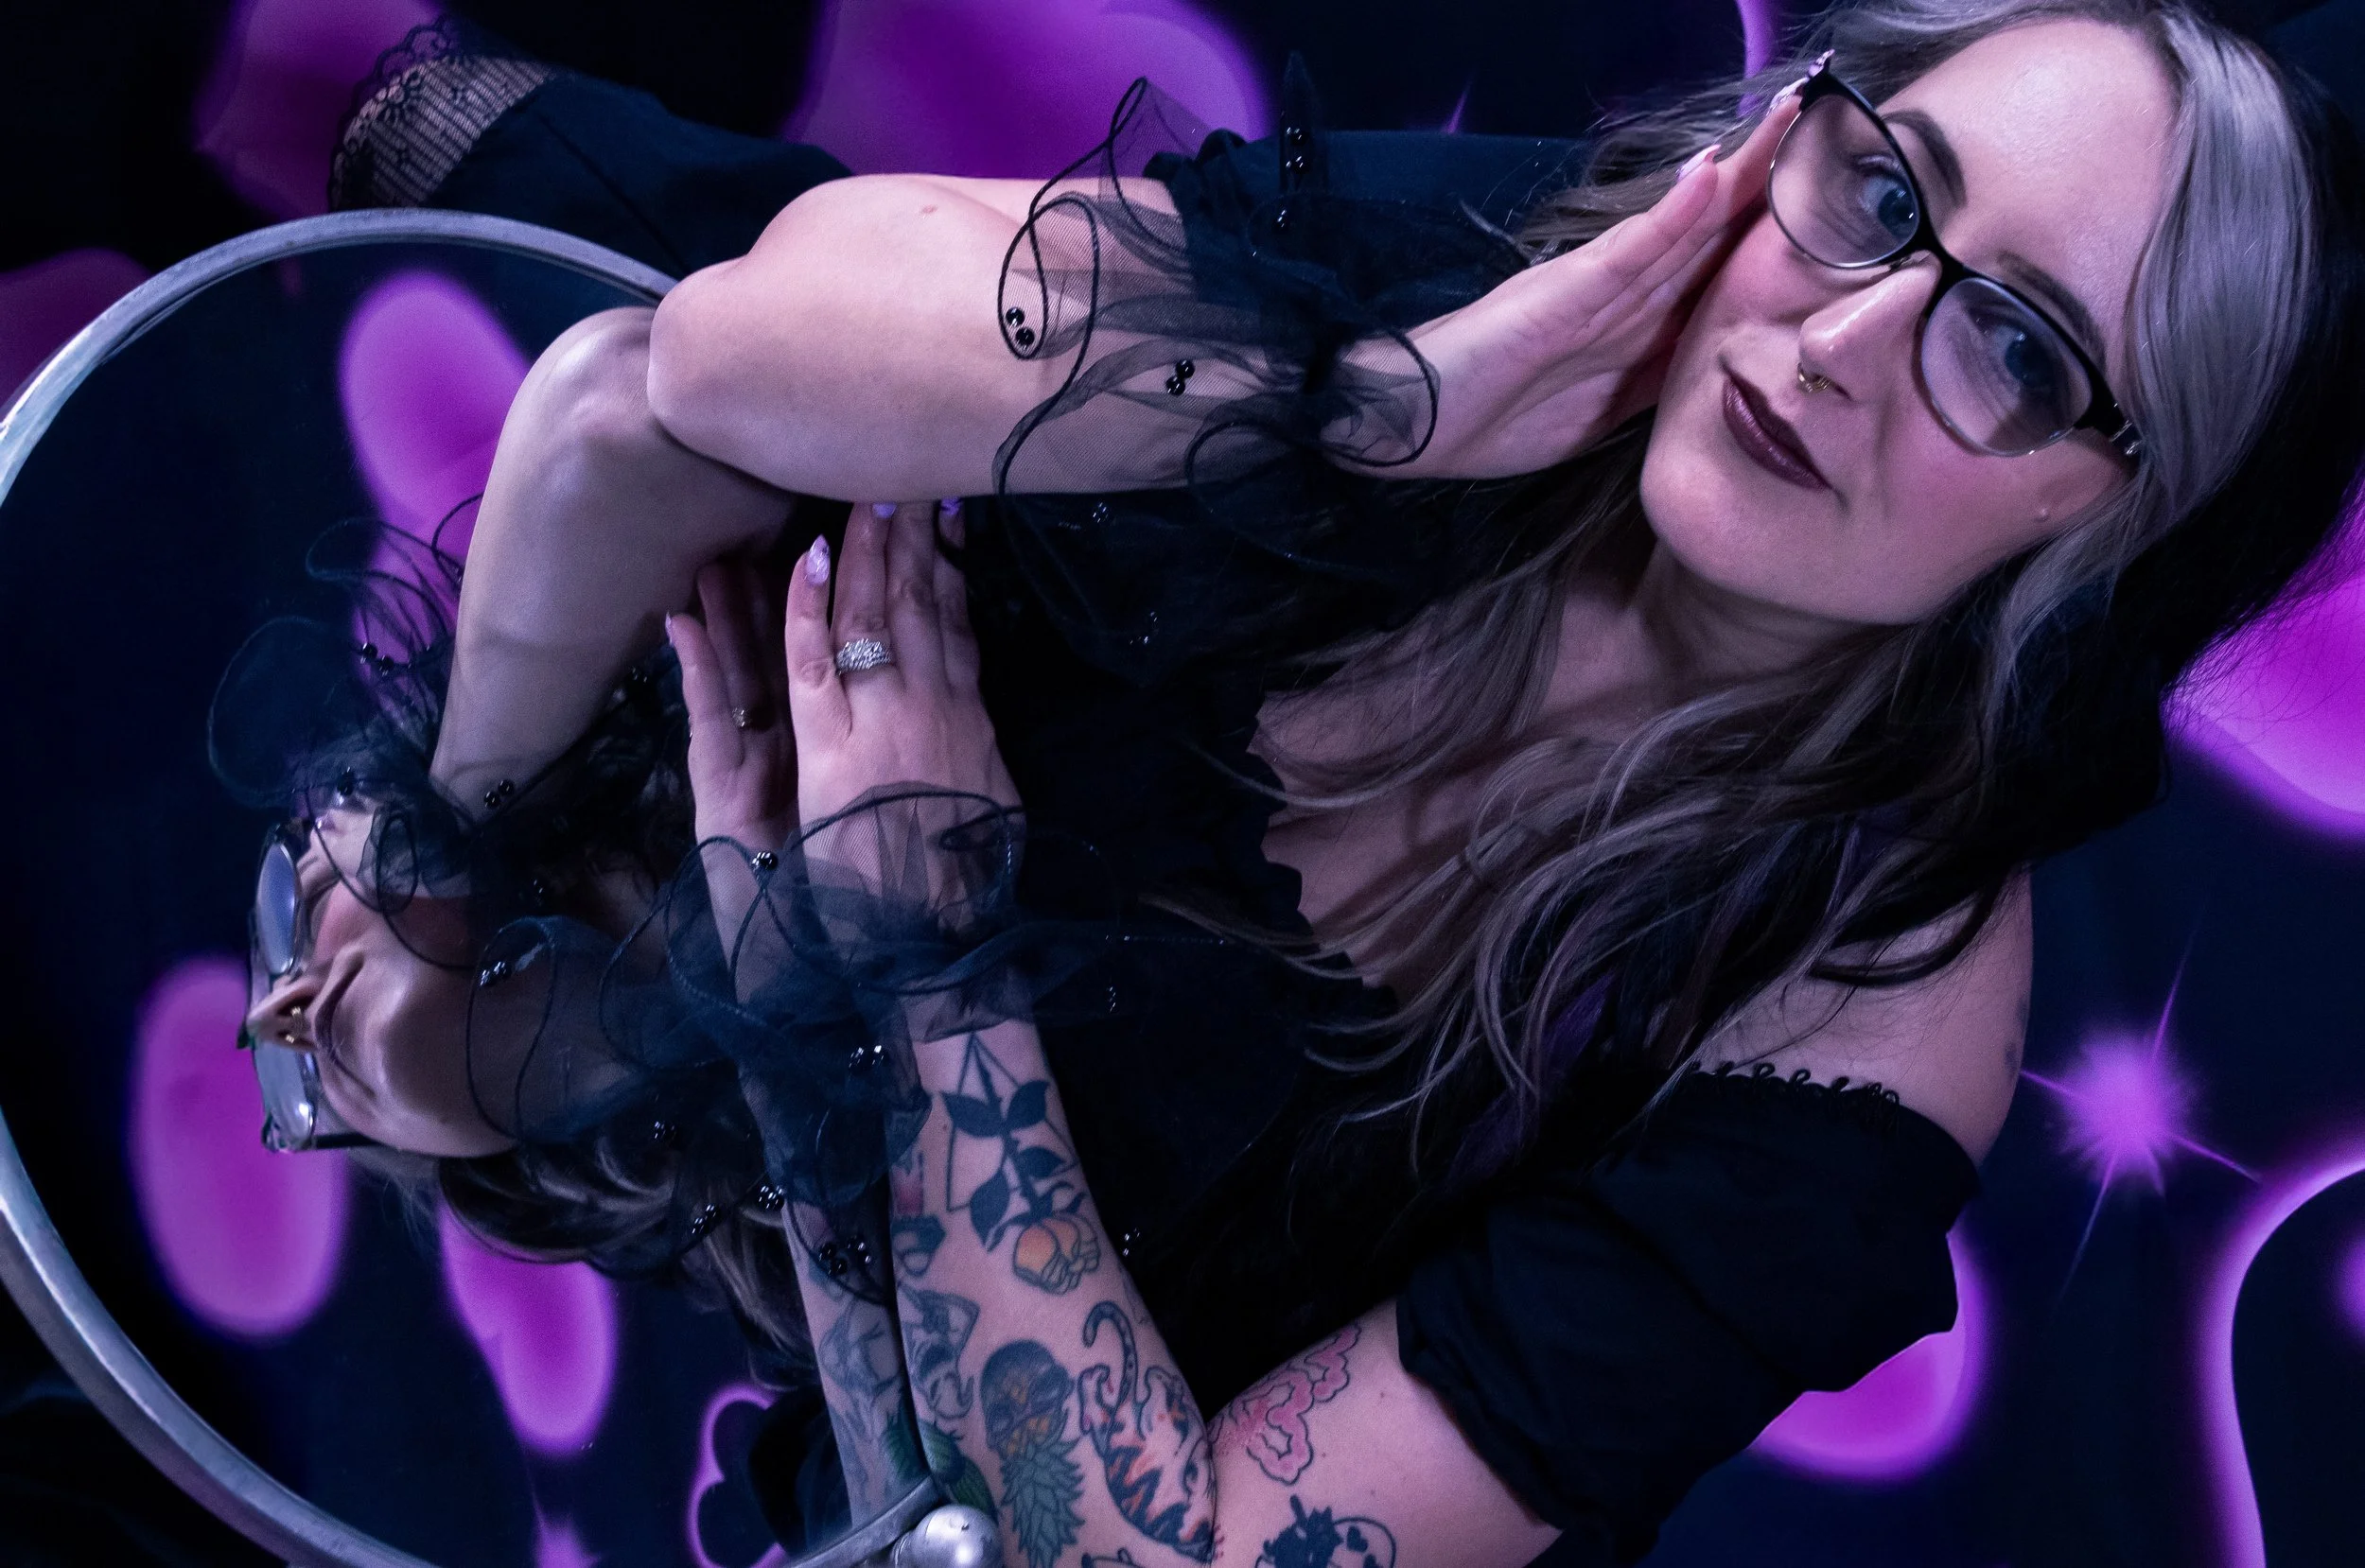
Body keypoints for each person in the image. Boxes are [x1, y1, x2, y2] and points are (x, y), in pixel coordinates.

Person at [215, 0, 2365, 1561]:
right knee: (608, 349)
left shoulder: (1859, 1039)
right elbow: (693, 371)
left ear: (2120, 525)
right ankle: (438, 913)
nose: (1833, 340)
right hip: (717, 873)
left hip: (1000, 1401)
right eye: (1877, 192)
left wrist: (927, 956)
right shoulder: (1530, 287)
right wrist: (1370, 405)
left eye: (2014, 352)